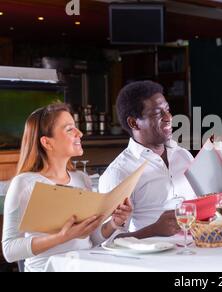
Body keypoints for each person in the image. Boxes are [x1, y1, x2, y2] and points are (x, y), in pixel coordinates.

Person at [2, 103, 132, 272]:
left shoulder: (82, 179)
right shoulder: (24, 184)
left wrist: (115, 223)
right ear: (47, 143)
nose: (80, 133)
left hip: (85, 267)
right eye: (70, 129)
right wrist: (62, 237)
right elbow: (10, 250)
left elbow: (90, 239)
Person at [99, 81, 196, 239]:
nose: (169, 118)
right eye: (158, 114)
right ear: (134, 123)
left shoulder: (183, 155)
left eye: (167, 110)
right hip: (151, 259)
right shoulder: (119, 173)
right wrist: (154, 230)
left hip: (196, 251)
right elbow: (109, 242)